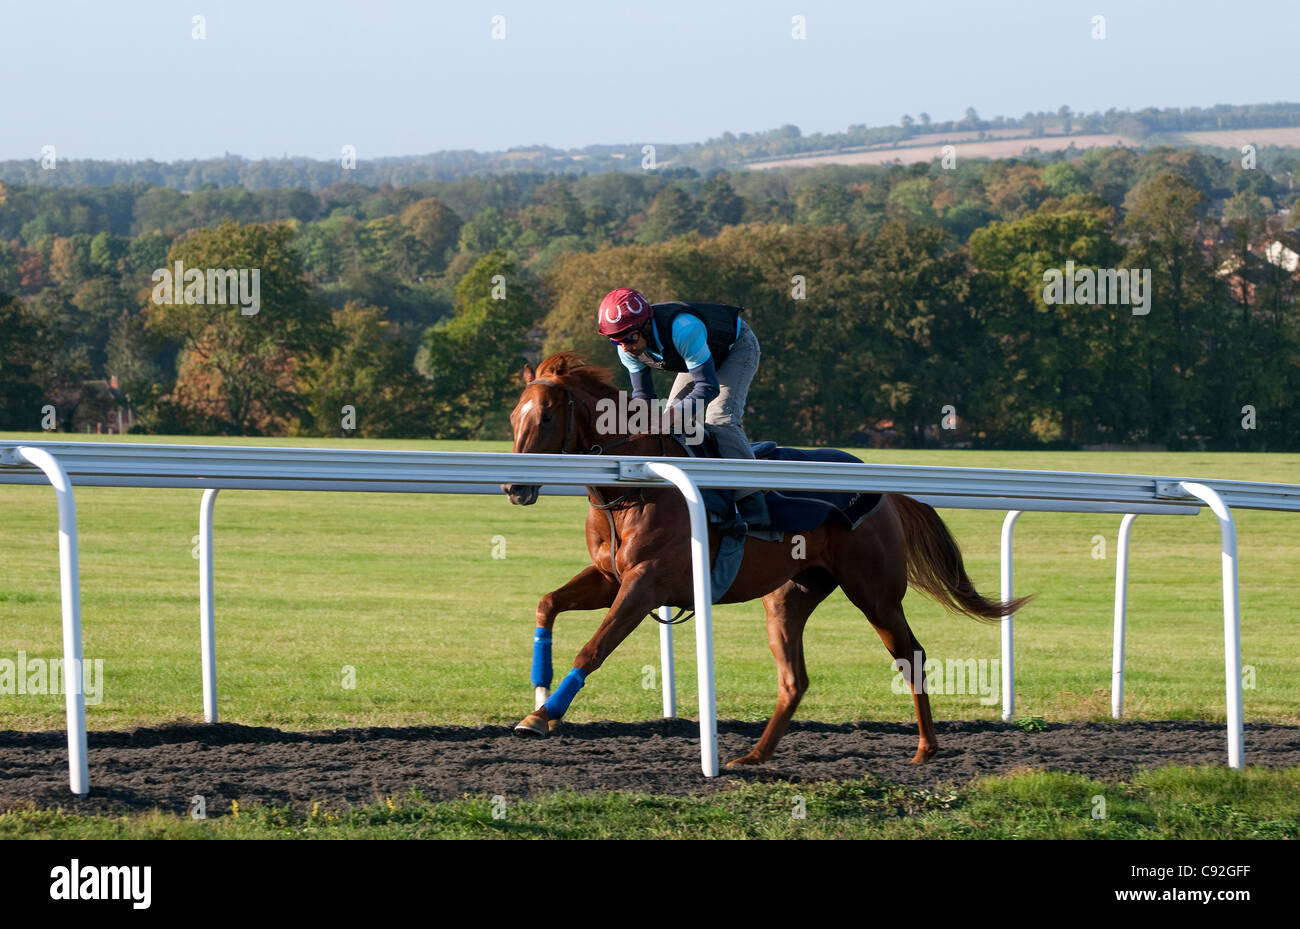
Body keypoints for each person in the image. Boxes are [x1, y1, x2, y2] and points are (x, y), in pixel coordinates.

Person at [597, 287, 770, 529]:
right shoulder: (626, 347)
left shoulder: (684, 329)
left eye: (629, 338)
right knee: (672, 425)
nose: (624, 347)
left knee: (720, 419)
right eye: (616, 340)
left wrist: (671, 415)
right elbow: (643, 395)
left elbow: (708, 387)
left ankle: (753, 499)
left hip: (735, 348)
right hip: (698, 358)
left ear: (646, 325)